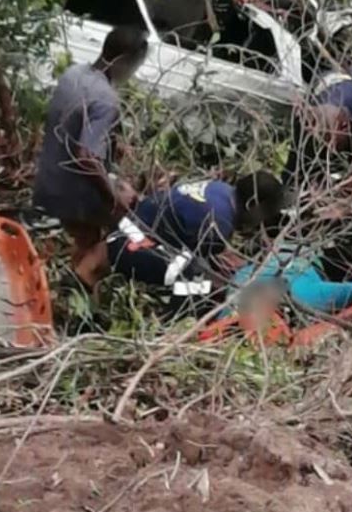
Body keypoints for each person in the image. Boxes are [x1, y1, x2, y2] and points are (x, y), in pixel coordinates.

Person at [33, 26, 148, 288]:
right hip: (72, 194)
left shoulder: (74, 73)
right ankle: (78, 288)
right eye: (134, 65)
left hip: (48, 179)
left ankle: (72, 279)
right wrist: (111, 196)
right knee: (125, 227)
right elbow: (85, 155)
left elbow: (72, 126)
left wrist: (110, 145)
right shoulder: (106, 99)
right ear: (124, 61)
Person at [105, 171, 286, 310]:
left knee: (201, 270)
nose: (262, 221)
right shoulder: (219, 223)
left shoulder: (221, 189)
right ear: (252, 204)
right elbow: (201, 260)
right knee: (200, 284)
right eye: (265, 213)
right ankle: (171, 326)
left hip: (127, 228)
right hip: (130, 245)